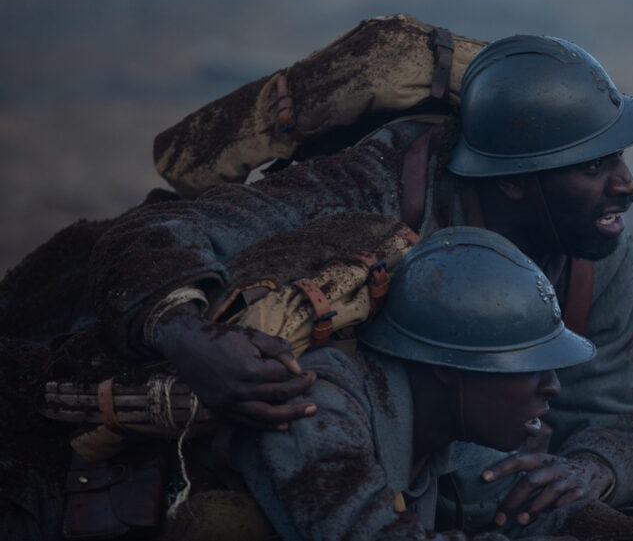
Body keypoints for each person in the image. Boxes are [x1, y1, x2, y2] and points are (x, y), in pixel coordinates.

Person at [1, 26, 633, 530]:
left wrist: (589, 469)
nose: (626, 184)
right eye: (592, 166)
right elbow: (153, 237)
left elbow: (629, 417)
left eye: (615, 156)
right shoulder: (365, 191)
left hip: (421, 458)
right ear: (513, 184)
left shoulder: (593, 250)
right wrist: (190, 339)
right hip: (272, 424)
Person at [221, 226, 599, 539]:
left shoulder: (450, 428)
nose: (553, 387)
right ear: (445, 367)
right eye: (526, 367)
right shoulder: (318, 410)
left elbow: (523, 508)